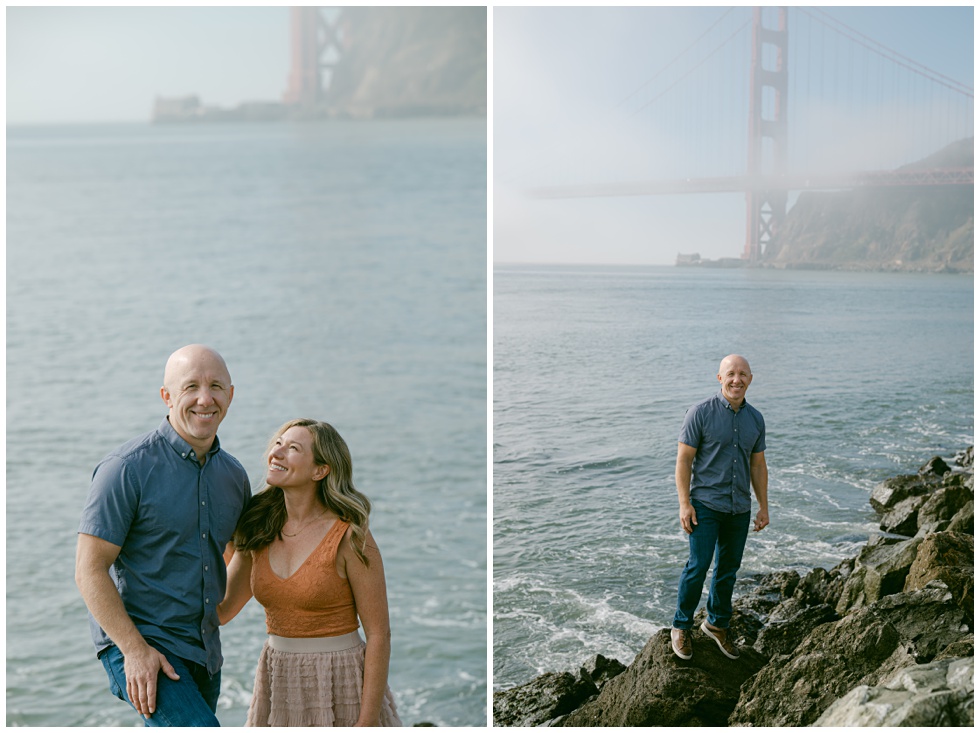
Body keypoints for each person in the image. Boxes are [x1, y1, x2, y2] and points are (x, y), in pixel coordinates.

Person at [75, 344, 251, 725]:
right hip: (140, 645)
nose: (205, 399)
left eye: (216, 386)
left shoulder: (234, 477)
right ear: (167, 396)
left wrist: (221, 612)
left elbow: (243, 552)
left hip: (204, 652)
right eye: (191, 387)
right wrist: (135, 650)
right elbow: (89, 570)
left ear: (231, 395)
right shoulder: (126, 469)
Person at [218, 418, 402, 727]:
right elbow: (221, 611)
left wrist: (366, 721)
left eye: (292, 448)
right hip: (278, 681)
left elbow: (379, 635)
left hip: (340, 682)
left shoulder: (350, 537)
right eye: (278, 444)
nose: (277, 453)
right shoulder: (259, 531)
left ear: (321, 470)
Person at [670, 354, 769, 661]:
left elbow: (758, 465)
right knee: (698, 567)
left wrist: (763, 506)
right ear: (719, 378)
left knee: (727, 571)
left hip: (739, 508)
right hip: (705, 505)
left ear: (750, 379)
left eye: (742, 374)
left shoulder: (756, 419)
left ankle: (716, 625)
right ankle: (681, 626)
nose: (736, 379)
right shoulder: (700, 413)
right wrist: (684, 504)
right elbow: (684, 460)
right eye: (731, 374)